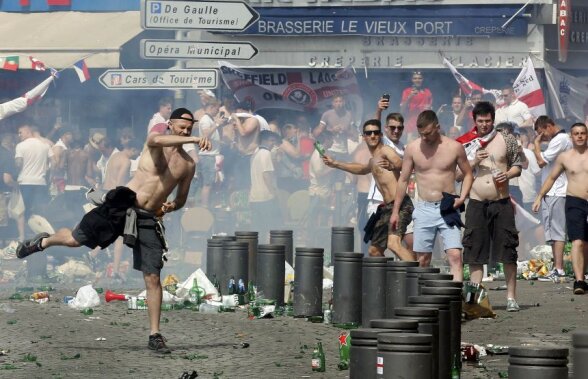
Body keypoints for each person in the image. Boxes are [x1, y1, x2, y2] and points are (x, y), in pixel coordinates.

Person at [15, 108, 211, 354]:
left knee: (152, 276)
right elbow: (157, 139)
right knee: (75, 240)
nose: (185, 131)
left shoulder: (188, 164)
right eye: (182, 127)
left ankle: (155, 334)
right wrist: (193, 140)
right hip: (122, 204)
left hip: (149, 217)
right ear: (170, 124)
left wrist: (172, 206)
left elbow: (181, 198)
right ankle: (43, 242)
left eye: (190, 129)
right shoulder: (154, 142)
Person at [391, 110, 473, 281]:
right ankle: (422, 299)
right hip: (424, 207)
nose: (425, 137)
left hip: (448, 206)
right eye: (421, 134)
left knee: (455, 256)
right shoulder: (413, 148)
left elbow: (468, 174)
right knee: (422, 259)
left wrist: (462, 197)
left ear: (437, 127)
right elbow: (403, 180)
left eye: (428, 133)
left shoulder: (454, 147)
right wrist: (395, 211)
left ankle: (456, 300)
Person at [460, 102, 523, 311]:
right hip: (477, 202)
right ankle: (473, 300)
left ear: (493, 120)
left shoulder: (506, 139)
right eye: (480, 121)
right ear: (474, 121)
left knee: (508, 250)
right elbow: (458, 174)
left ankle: (511, 298)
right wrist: (474, 161)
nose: (484, 125)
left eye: (488, 121)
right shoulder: (466, 143)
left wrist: (508, 174)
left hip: (501, 201)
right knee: (473, 251)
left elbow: (518, 165)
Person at [323, 119, 414, 261]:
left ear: (380, 135)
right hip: (387, 208)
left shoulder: (385, 150)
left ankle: (420, 278)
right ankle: (388, 281)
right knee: (374, 251)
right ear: (364, 136)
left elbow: (401, 163)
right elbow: (361, 169)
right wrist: (335, 163)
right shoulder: (373, 160)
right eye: (369, 133)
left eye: (376, 132)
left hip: (400, 204)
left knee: (394, 244)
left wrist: (393, 166)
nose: (372, 135)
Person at [532, 123, 588, 294]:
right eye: (576, 134)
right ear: (571, 137)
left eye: (582, 133)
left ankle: (584, 274)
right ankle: (579, 281)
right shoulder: (564, 157)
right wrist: (540, 196)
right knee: (577, 241)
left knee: (586, 243)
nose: (579, 136)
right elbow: (551, 178)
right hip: (574, 201)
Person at [532, 116, 572, 281]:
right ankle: (557, 267)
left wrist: (536, 145)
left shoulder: (561, 139)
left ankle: (559, 269)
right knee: (553, 231)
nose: (543, 137)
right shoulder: (556, 141)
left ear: (548, 126)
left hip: (558, 191)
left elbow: (541, 161)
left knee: (557, 231)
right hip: (551, 191)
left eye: (542, 133)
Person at [15, 123, 51, 278]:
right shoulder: (44, 146)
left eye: (20, 131)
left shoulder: (21, 146)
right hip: (41, 182)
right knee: (39, 212)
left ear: (28, 131)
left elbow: (18, 164)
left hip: (25, 182)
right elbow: (53, 162)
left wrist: (18, 170)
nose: (19, 134)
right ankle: (41, 236)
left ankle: (25, 238)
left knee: (24, 211)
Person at [249, 130, 282, 243]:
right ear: (265, 140)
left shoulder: (255, 153)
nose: (273, 143)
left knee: (258, 230)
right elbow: (266, 175)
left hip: (254, 198)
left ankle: (257, 251)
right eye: (272, 140)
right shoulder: (265, 153)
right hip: (265, 197)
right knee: (270, 228)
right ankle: (268, 250)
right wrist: (274, 192)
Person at [400, 71, 433, 137]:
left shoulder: (428, 92)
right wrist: (409, 97)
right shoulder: (407, 91)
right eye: (415, 78)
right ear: (412, 80)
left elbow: (431, 111)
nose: (417, 80)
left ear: (422, 79)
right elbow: (401, 110)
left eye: (419, 78)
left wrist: (429, 109)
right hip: (410, 127)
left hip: (424, 126)